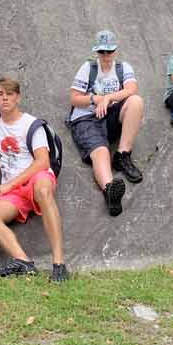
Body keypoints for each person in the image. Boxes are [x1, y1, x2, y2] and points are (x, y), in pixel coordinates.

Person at [0, 77, 69, 282]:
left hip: (34, 178)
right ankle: (23, 262)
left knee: (43, 190)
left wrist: (9, 185)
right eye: (0, 94)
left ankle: (59, 264)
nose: (4, 98)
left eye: (9, 94)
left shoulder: (31, 124)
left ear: (18, 98)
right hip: (12, 191)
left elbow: (43, 162)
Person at [67, 29, 145, 217]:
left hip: (111, 115)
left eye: (109, 51)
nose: (106, 55)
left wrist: (108, 98)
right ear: (97, 51)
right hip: (87, 119)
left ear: (115, 50)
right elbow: (74, 98)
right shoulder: (88, 68)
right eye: (102, 51)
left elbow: (131, 89)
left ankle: (122, 155)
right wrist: (95, 99)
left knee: (136, 101)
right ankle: (110, 190)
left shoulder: (123, 67)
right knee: (101, 151)